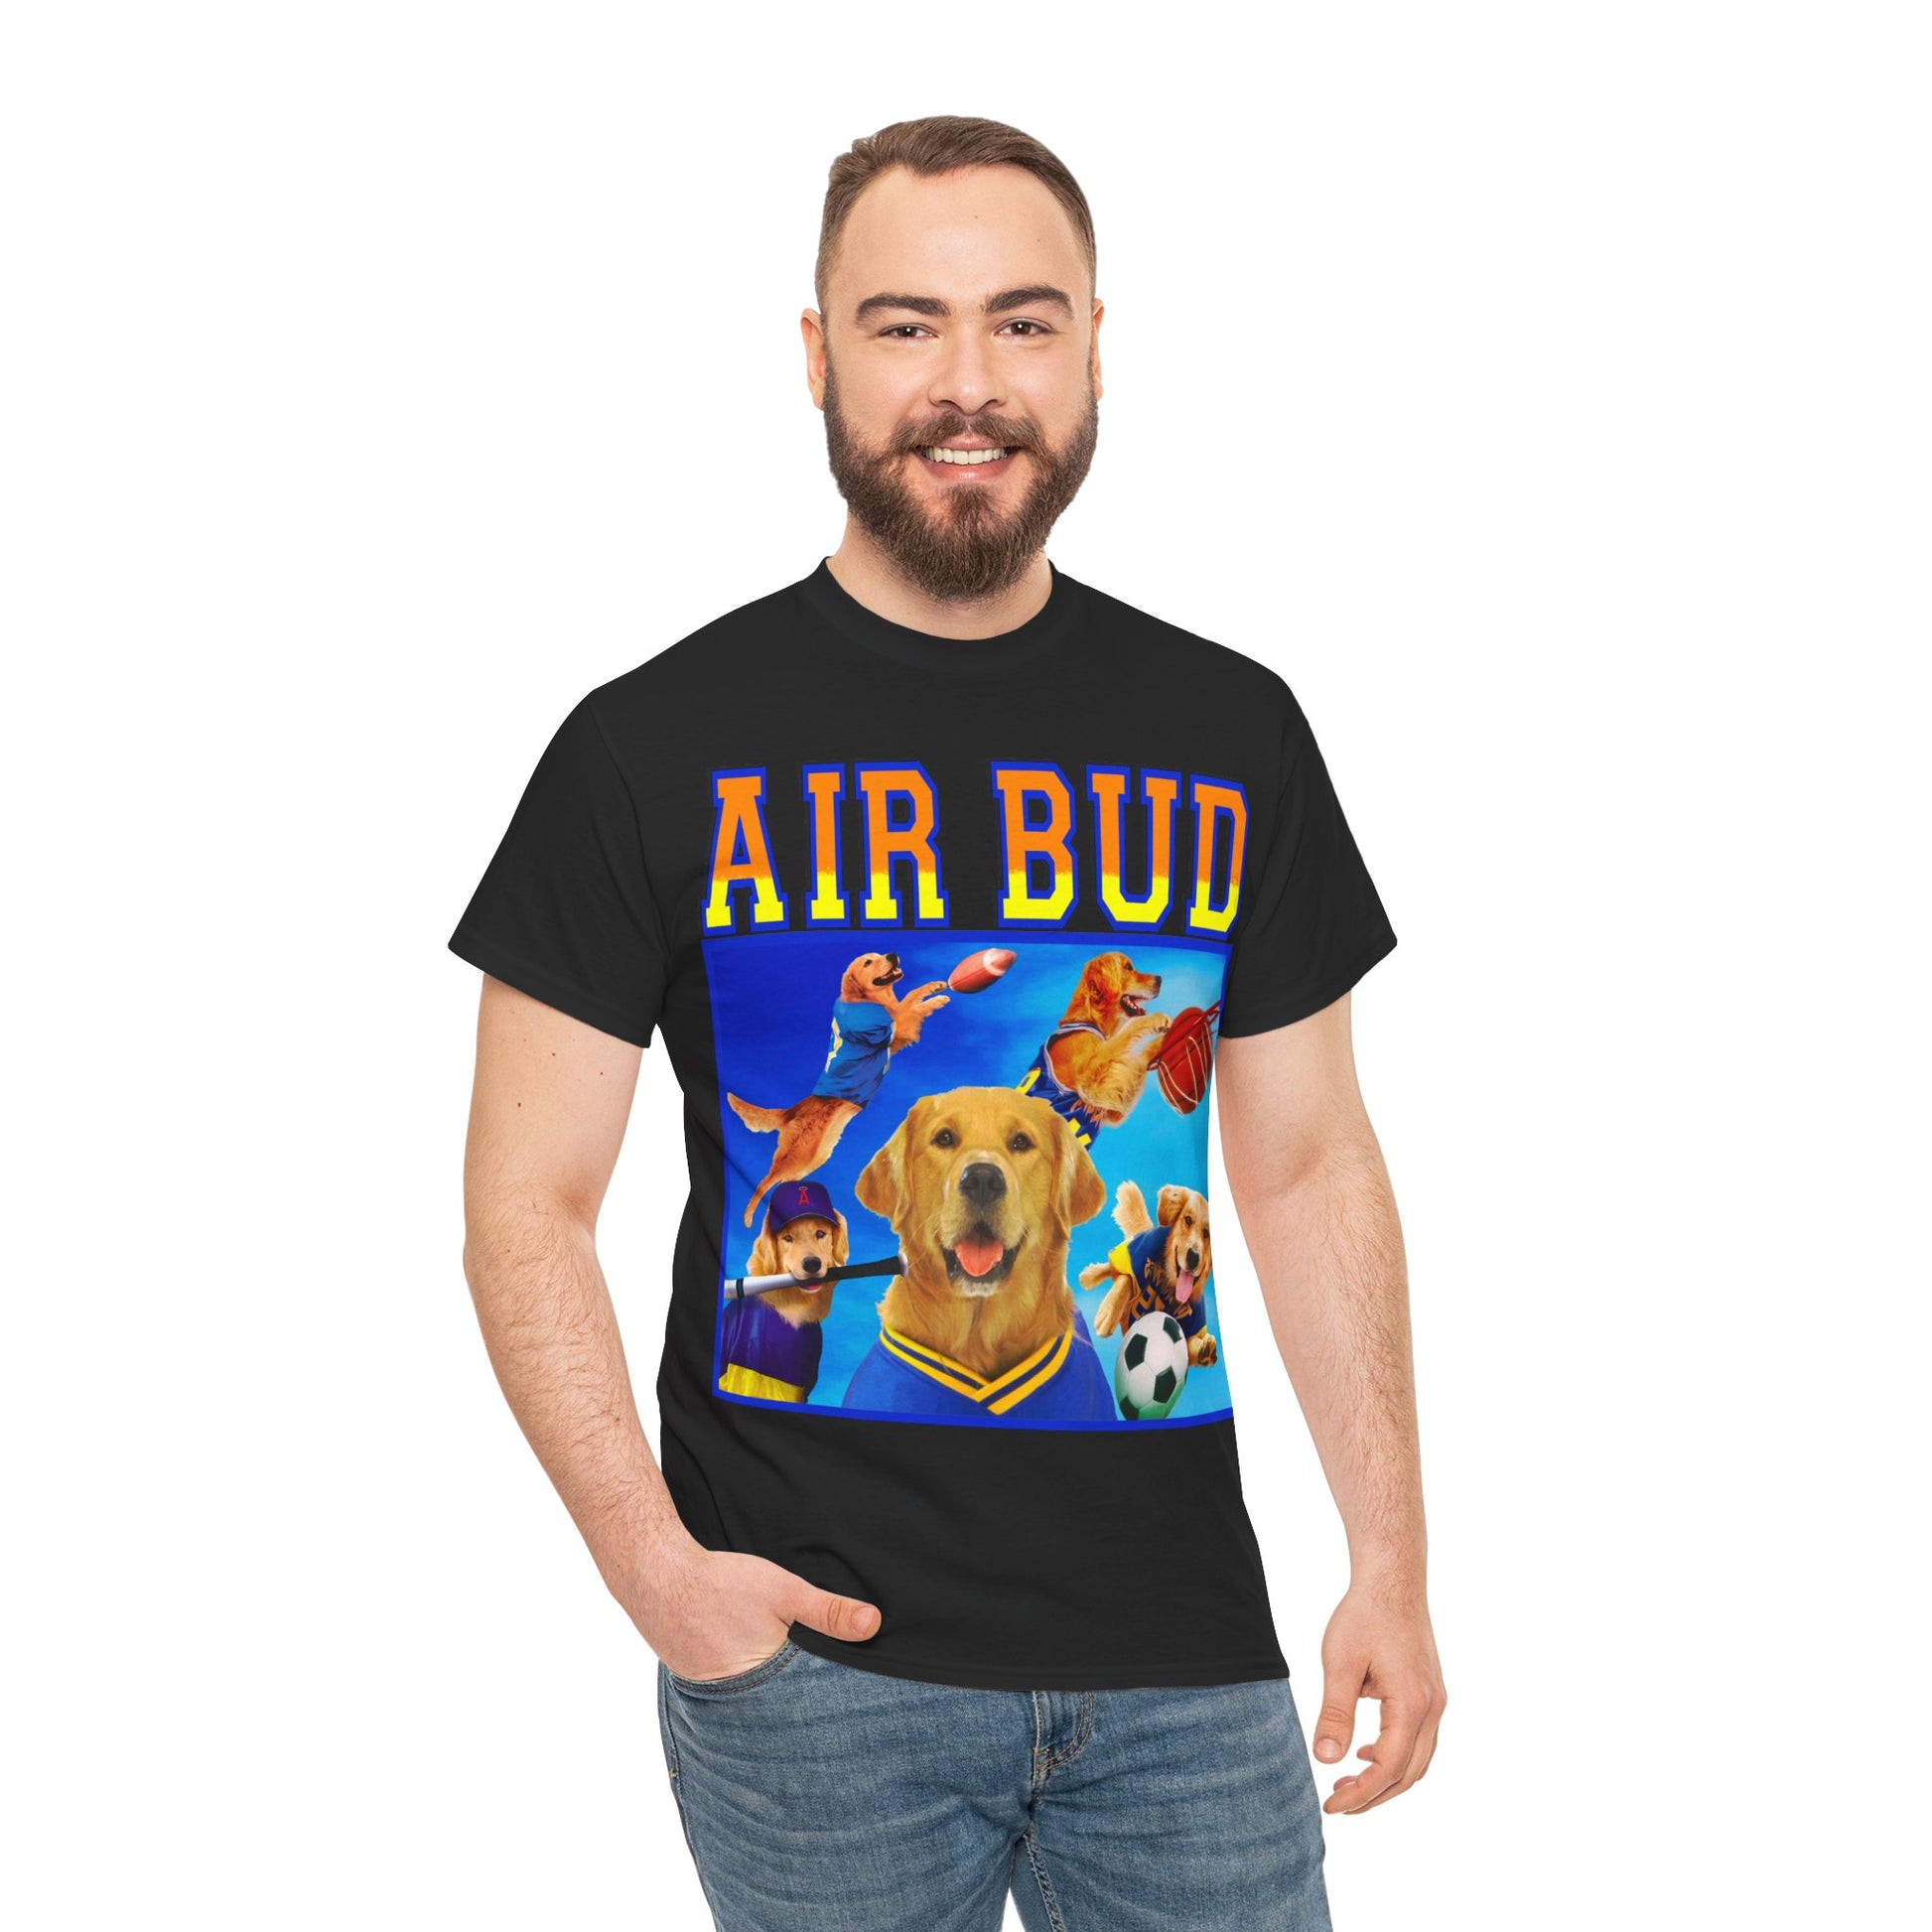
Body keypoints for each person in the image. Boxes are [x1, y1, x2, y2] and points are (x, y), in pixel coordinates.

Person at [453, 114, 1444, 1931]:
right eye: (905, 324)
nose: (967, 384)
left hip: (1184, 1658)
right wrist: (656, 1570)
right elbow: (525, 1204)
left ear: (1092, 350)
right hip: (810, 1671)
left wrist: (1390, 1557)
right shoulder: (647, 744)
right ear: (816, 354)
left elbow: (1307, 1166)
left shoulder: (1231, 730)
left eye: (1022, 322)